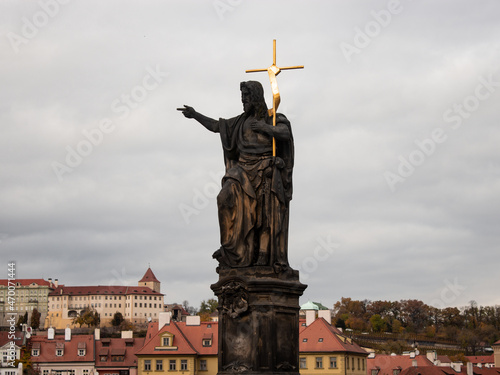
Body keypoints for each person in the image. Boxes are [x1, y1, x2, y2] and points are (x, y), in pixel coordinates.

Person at [177, 81, 294, 271]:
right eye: (242, 98)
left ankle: (262, 255)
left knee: (264, 216)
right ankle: (231, 249)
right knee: (224, 198)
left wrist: (265, 128)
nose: (243, 102)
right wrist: (195, 115)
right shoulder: (240, 122)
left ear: (255, 98)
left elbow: (284, 133)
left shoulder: (273, 118)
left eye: (246, 98)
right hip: (242, 171)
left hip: (265, 169)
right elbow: (217, 126)